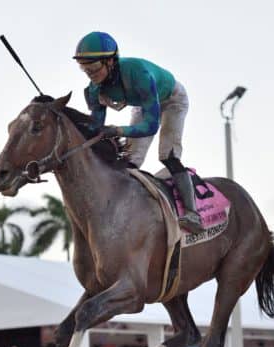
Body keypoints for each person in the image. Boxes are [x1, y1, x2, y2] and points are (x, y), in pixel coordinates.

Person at [74, 31, 203, 234]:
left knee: (167, 155)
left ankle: (193, 214)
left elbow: (150, 126)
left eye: (94, 67)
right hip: (144, 104)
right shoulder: (95, 89)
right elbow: (95, 129)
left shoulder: (139, 74)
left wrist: (117, 130)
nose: (90, 73)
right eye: (84, 68)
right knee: (131, 161)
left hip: (172, 100)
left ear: (110, 61)